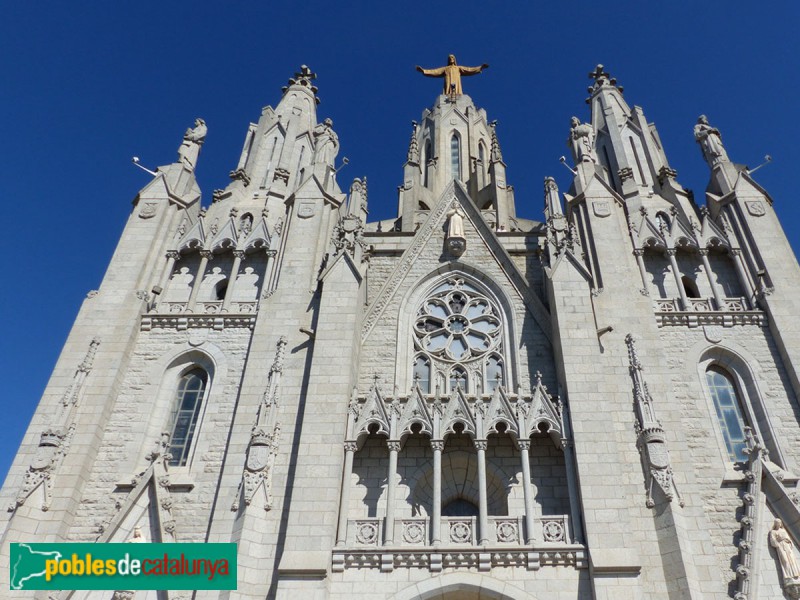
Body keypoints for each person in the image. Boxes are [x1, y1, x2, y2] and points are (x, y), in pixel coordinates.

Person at [416, 55, 489, 96]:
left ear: (454, 59)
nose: (451, 59)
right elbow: (435, 71)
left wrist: (480, 67)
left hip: (456, 84)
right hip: (448, 84)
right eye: (450, 58)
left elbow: (469, 69)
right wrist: (424, 71)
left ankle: (456, 94)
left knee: (456, 90)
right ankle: (448, 94)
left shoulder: (458, 68)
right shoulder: (445, 68)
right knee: (448, 90)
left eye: (452, 58)